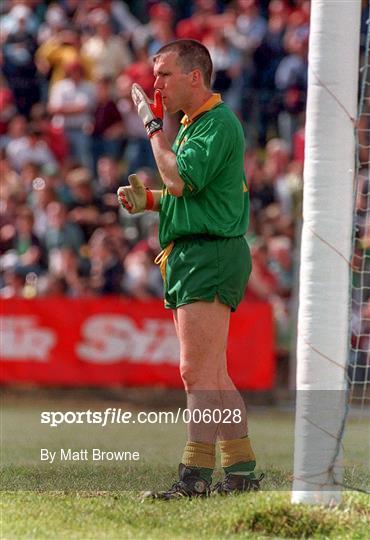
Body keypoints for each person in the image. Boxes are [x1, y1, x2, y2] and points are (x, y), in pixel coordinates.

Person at [117, 39, 263, 499]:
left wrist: (151, 126)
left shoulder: (215, 123)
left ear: (194, 76)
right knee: (212, 374)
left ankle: (194, 478)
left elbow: (178, 177)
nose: (155, 84)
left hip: (209, 253)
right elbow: (192, 193)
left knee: (195, 373)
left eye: (163, 74)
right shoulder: (198, 125)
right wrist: (151, 203)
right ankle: (240, 472)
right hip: (198, 251)